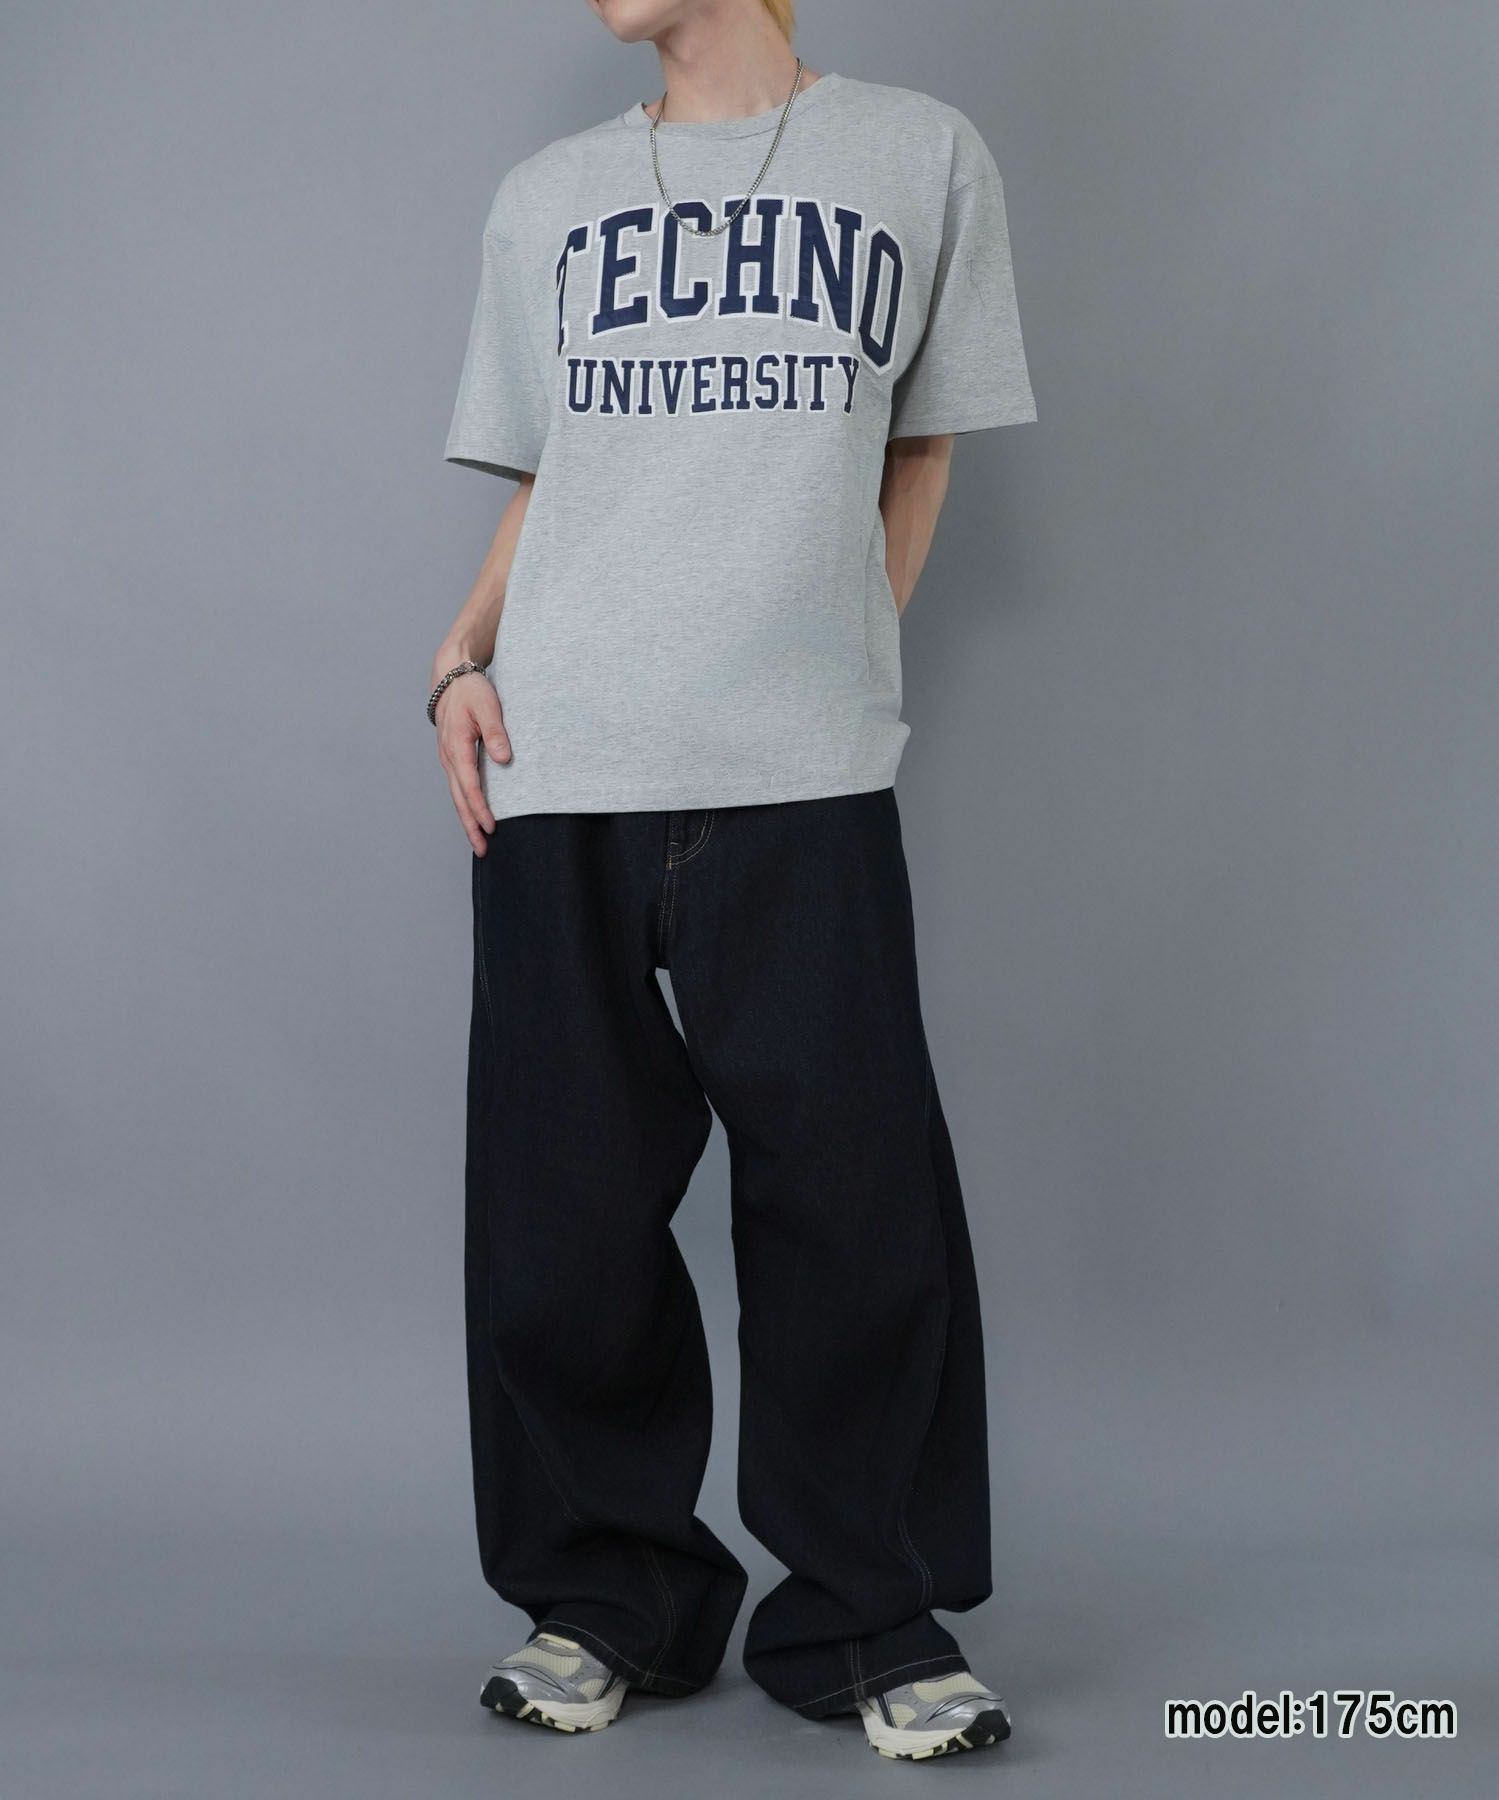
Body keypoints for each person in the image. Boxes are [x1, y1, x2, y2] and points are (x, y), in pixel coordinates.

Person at [429, 0, 1035, 1762]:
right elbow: (553, 476)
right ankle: (606, 1600)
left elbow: (922, 445)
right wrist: (456, 658)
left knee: (856, 1216)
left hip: (802, 772)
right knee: (559, 1223)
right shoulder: (549, 197)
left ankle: (867, 1615)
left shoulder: (918, 157)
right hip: (563, 763)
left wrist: (836, 661)